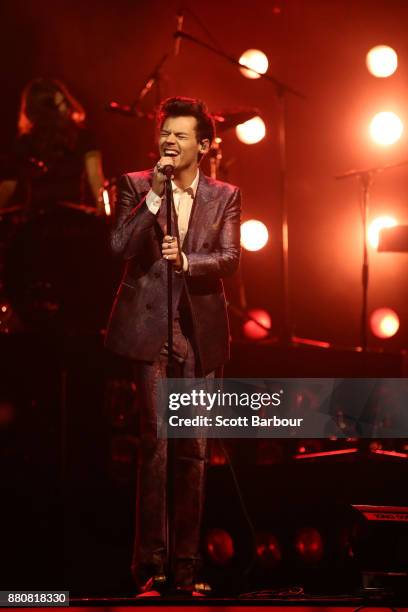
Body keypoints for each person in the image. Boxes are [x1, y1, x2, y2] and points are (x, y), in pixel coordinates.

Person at [105, 96, 241, 595]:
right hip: (149, 331)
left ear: (203, 146)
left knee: (195, 452)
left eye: (181, 135)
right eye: (165, 132)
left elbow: (229, 258)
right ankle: (150, 570)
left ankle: (187, 571)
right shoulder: (134, 187)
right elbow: (118, 246)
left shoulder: (225, 195)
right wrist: (156, 198)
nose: (169, 140)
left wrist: (188, 261)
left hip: (198, 333)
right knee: (156, 446)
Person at [0, 77, 105, 212]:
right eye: (59, 105)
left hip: (69, 220)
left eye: (65, 102)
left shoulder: (83, 136)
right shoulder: (26, 142)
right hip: (43, 222)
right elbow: (8, 185)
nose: (66, 108)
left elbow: (95, 177)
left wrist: (104, 211)